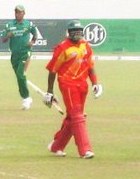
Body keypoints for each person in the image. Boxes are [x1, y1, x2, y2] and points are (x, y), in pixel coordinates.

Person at [44, 20, 103, 159]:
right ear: (69, 33)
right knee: (77, 116)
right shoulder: (62, 48)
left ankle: (57, 145)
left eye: (79, 31)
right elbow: (53, 70)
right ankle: (85, 150)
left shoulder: (85, 46)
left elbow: (90, 66)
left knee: (73, 117)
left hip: (83, 85)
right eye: (74, 31)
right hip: (68, 84)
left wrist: (95, 83)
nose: (77, 33)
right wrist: (50, 91)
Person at [1, 5, 38, 110]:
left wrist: (32, 42)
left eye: (20, 12)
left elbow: (35, 34)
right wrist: (8, 36)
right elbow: (3, 39)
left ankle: (26, 98)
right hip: (14, 55)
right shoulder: (9, 25)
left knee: (20, 74)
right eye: (16, 12)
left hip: (25, 53)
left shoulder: (28, 24)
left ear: (24, 13)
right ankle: (25, 98)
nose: (18, 14)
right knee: (19, 77)